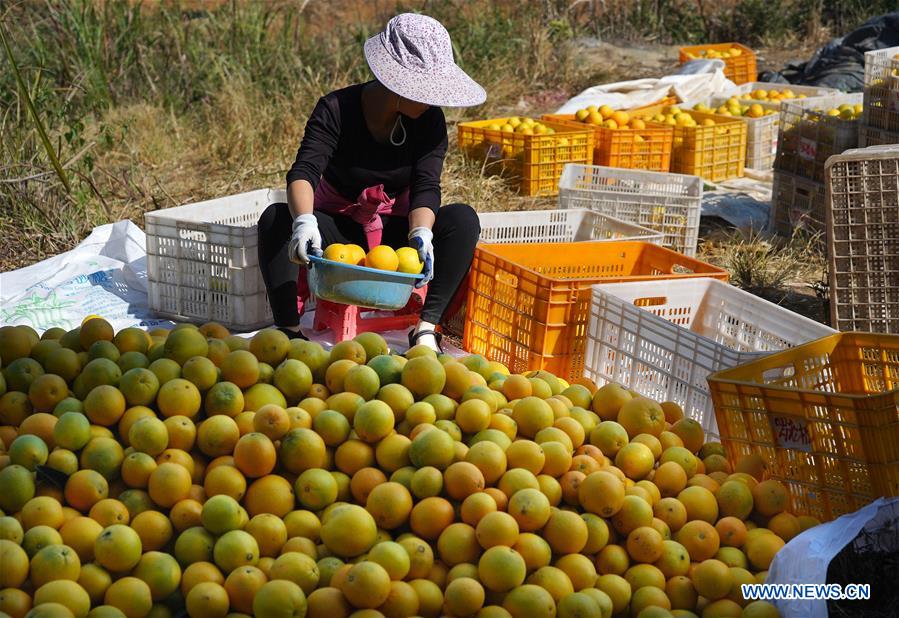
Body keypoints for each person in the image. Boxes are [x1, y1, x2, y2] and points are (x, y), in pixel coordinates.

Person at [258, 13, 485, 352]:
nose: (432, 100)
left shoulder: (429, 121)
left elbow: (427, 186)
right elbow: (304, 173)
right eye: (424, 91)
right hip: (339, 234)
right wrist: (305, 221)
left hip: (395, 236)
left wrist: (421, 233)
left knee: (463, 220)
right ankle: (289, 331)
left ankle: (425, 327)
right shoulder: (336, 109)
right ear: (395, 84)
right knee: (276, 218)